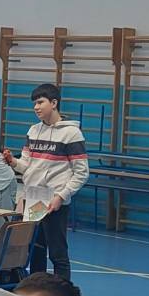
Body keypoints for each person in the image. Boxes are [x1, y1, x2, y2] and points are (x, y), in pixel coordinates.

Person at [8, 83, 91, 278]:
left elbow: (81, 172)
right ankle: (38, 289)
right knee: (35, 249)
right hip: (35, 199)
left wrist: (61, 196)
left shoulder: (71, 134)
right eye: (34, 104)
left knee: (57, 253)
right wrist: (12, 162)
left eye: (40, 102)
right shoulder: (33, 131)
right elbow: (26, 165)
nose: (36, 107)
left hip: (54, 202)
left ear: (54, 103)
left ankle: (63, 291)